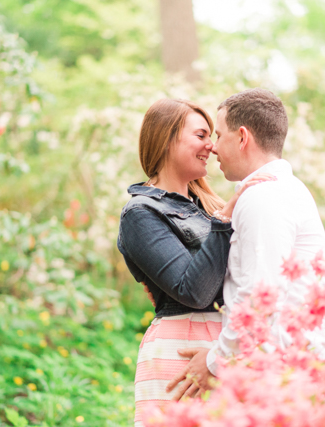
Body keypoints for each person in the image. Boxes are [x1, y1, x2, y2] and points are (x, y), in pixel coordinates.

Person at [163, 88, 325, 400]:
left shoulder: (264, 197)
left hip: (278, 383)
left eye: (220, 134)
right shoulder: (286, 191)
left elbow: (260, 297)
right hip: (289, 373)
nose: (213, 148)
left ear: (242, 137)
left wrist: (214, 361)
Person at [116, 99, 272, 426]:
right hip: (180, 351)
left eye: (212, 136)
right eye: (201, 135)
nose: (211, 146)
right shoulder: (141, 213)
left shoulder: (207, 206)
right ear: (167, 139)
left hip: (223, 348)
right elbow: (193, 291)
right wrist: (224, 221)